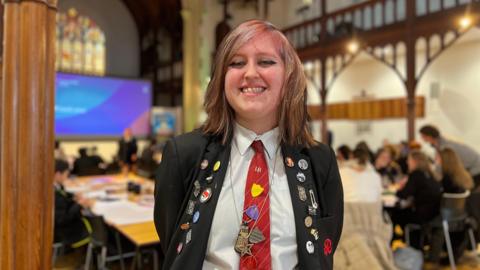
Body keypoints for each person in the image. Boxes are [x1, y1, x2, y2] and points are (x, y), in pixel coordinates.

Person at [154, 20, 343, 270]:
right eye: (236, 63)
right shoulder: (184, 154)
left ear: (289, 76)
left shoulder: (319, 159)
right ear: (222, 77)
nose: (250, 73)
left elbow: (322, 249)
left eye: (266, 61)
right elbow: (175, 244)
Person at [391, 150, 442, 249]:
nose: (407, 162)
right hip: (434, 213)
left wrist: (396, 190)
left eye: (408, 160)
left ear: (414, 161)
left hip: (423, 215)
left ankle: (401, 241)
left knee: (395, 215)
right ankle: (413, 241)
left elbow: (404, 194)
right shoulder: (430, 174)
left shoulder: (416, 175)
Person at [54, 159, 92, 249]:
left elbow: (63, 195)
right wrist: (79, 204)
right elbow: (64, 218)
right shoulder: (54, 194)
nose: (67, 178)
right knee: (95, 221)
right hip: (68, 231)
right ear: (58, 174)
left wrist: (73, 197)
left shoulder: (56, 186)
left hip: (63, 226)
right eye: (66, 175)